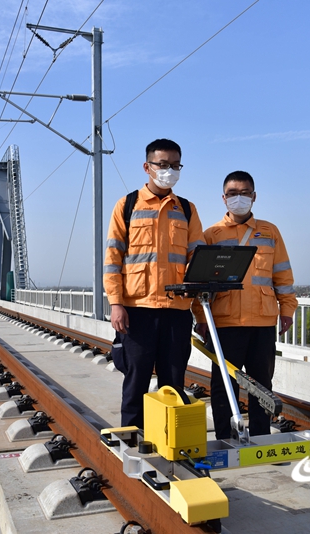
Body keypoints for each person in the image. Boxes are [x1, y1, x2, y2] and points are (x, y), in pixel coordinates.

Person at [103, 138, 205, 429]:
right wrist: (116, 303)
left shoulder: (186, 209)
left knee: (173, 382)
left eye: (175, 165)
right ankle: (132, 439)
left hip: (176, 311)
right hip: (137, 311)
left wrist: (198, 314)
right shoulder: (127, 205)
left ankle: (167, 440)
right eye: (163, 164)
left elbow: (195, 265)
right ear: (147, 167)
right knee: (136, 379)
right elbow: (113, 259)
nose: (169, 170)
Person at [194, 171, 297, 438]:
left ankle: (261, 436)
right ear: (223, 198)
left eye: (244, 193)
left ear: (254, 196)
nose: (238, 198)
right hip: (225, 323)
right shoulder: (211, 234)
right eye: (232, 193)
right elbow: (198, 283)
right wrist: (201, 319)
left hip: (263, 322)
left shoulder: (270, 232)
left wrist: (287, 309)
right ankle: (226, 439)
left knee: (262, 385)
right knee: (224, 385)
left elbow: (282, 275)